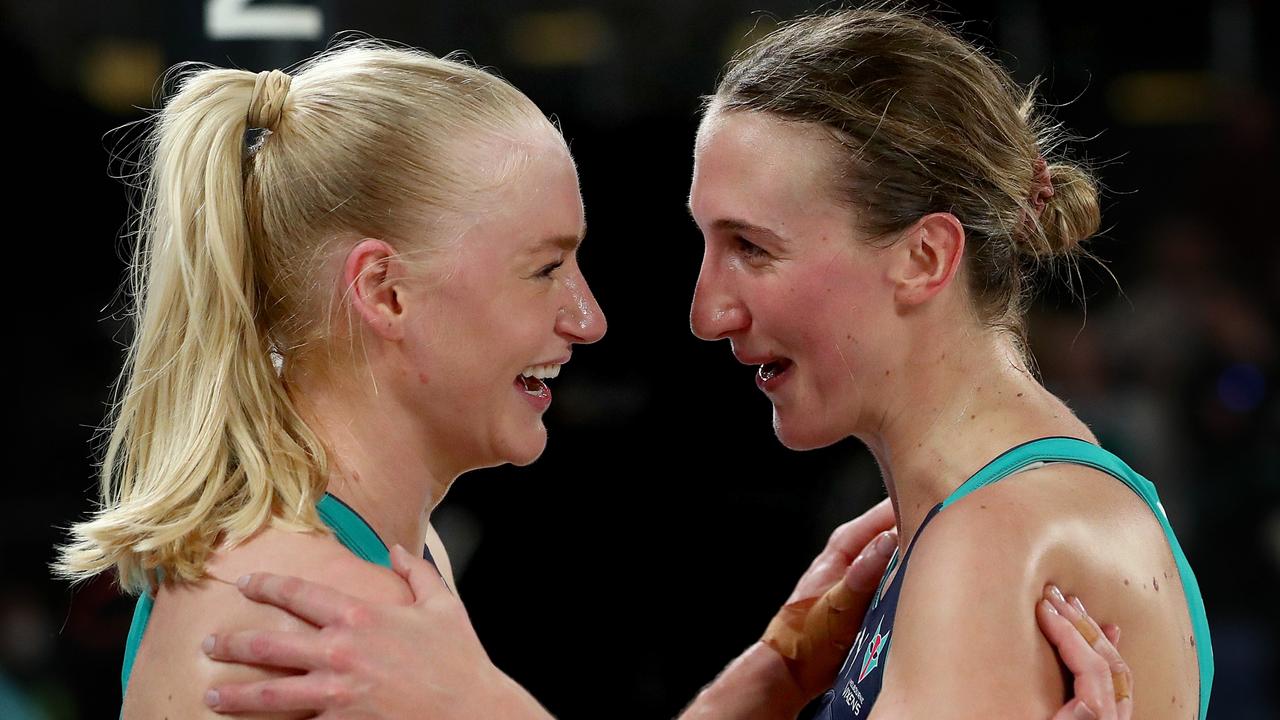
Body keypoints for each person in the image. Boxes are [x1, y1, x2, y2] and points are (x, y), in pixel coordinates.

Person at [192, 11, 1152, 720]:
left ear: (924, 258)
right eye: (542, 268)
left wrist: (474, 704)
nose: (704, 311)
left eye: (753, 247)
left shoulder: (992, 541)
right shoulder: (973, 527)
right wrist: (767, 685)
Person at [54, 40, 605, 718]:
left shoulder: (379, 570)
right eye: (546, 270)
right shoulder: (320, 614)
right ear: (385, 292)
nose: (589, 319)